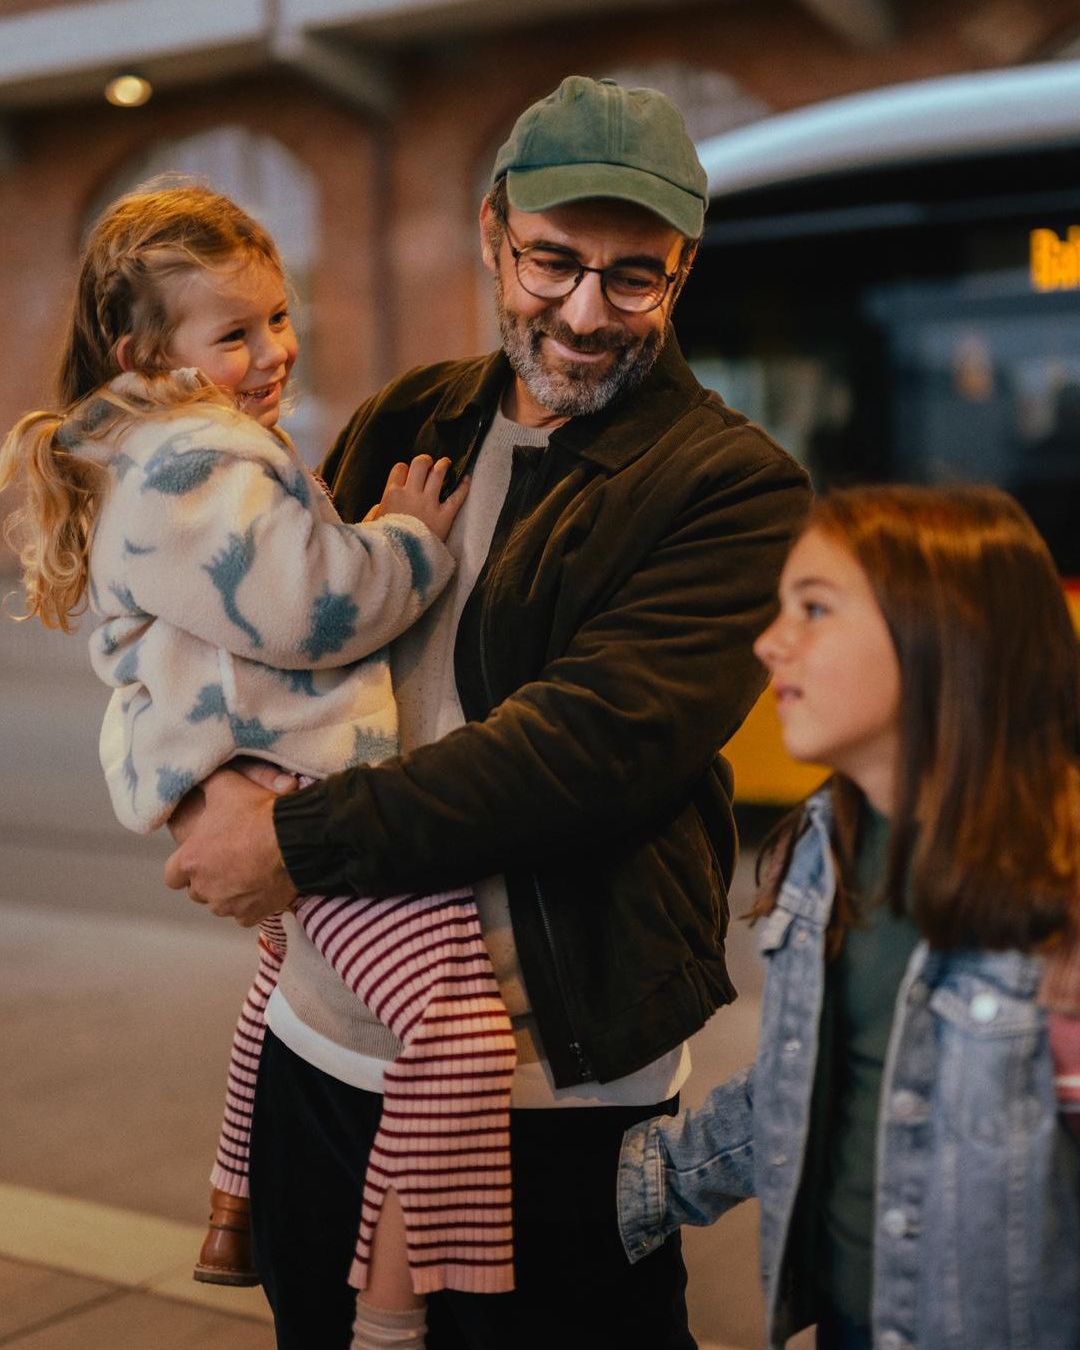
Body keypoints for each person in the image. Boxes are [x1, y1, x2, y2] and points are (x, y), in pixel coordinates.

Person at [163, 75, 812, 1349]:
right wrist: (204, 782)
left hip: (548, 1091)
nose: (584, 313)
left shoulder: (732, 488)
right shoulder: (412, 416)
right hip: (325, 1049)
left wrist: (290, 845)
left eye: (635, 279)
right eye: (552, 263)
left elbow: (585, 753)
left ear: (683, 269)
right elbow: (273, 637)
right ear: (491, 234)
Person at [0, 184, 524, 1350]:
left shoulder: (145, 452)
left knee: (280, 981)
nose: (271, 351)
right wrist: (408, 540)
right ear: (146, 351)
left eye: (279, 318)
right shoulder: (200, 462)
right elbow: (318, 609)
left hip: (259, 773)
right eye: (232, 334)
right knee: (458, 1036)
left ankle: (234, 1205)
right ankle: (394, 1309)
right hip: (309, 788)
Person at [617, 484, 1080, 1350]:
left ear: (944, 636)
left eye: (815, 608)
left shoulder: (1059, 891)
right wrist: (642, 1189)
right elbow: (812, 1080)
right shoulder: (824, 849)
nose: (770, 642)